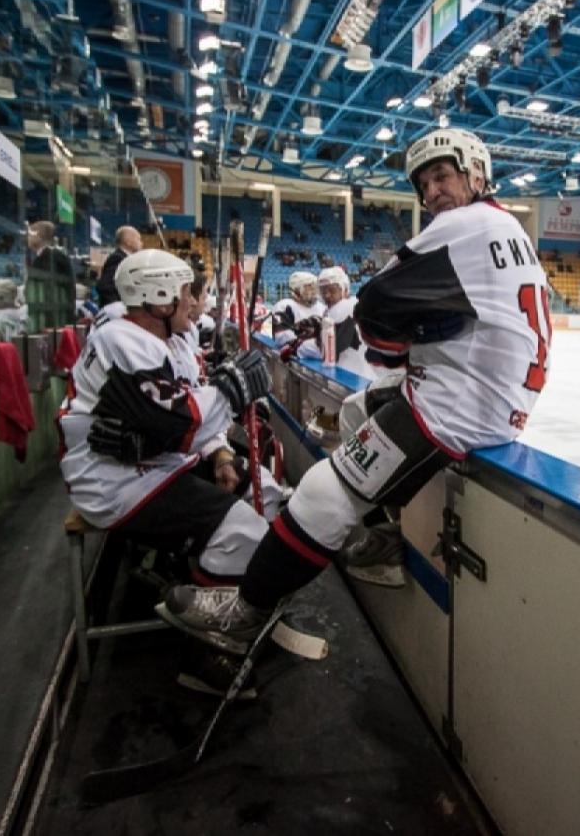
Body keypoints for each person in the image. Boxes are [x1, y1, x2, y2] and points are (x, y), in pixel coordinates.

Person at [155, 127, 553, 652]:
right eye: (424, 184)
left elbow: (375, 309)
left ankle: (245, 611)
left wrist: (399, 351)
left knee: (325, 490)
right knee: (356, 409)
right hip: (492, 398)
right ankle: (384, 539)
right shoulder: (509, 228)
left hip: (456, 405)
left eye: (442, 176)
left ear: (477, 174)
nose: (432, 192)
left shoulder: (460, 225)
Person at [58, 248, 276, 609]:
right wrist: (232, 390)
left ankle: (201, 572)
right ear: (161, 301)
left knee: (263, 489)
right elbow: (182, 422)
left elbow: (184, 422)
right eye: (187, 292)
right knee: (242, 531)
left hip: (155, 465)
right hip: (115, 482)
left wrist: (220, 452)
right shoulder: (121, 341)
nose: (193, 302)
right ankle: (219, 623)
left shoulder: (169, 342)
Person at [290, 266, 374, 380]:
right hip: (351, 371)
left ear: (344, 289)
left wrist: (299, 348)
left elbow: (330, 347)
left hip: (352, 375)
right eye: (323, 291)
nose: (327, 295)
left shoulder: (344, 307)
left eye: (332, 290)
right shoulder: (334, 309)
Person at [26, 220, 75, 332]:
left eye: (30, 234)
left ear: (38, 235)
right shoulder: (54, 256)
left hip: (51, 323)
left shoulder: (50, 258)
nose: (27, 238)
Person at [270, 271, 324, 345]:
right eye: (309, 287)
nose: (314, 291)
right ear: (297, 290)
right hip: (296, 353)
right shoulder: (284, 306)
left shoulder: (322, 307)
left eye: (314, 287)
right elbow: (281, 337)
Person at [95, 225, 142, 306]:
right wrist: (117, 306)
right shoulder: (118, 258)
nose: (141, 243)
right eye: (138, 239)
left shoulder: (124, 258)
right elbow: (105, 286)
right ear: (128, 242)